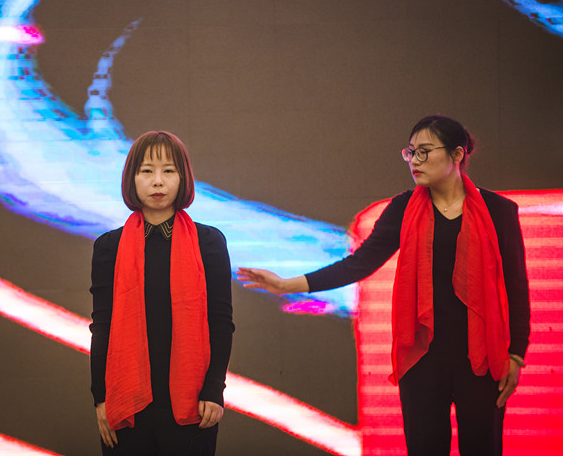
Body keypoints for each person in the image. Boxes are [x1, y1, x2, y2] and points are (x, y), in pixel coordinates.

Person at [238, 115, 530, 456]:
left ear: (457, 154)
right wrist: (287, 284)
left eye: (424, 151)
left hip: (482, 359)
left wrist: (516, 355)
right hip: (422, 358)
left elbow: (516, 286)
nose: (414, 161)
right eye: (410, 152)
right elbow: (359, 263)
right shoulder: (403, 208)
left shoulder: (498, 211)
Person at [89, 131, 234, 455]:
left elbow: (220, 323)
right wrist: (101, 398)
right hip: (126, 403)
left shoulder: (209, 242)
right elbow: (102, 327)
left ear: (183, 178)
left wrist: (214, 390)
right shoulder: (109, 247)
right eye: (147, 171)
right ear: (132, 178)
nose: (158, 181)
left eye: (168, 170)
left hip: (193, 402)